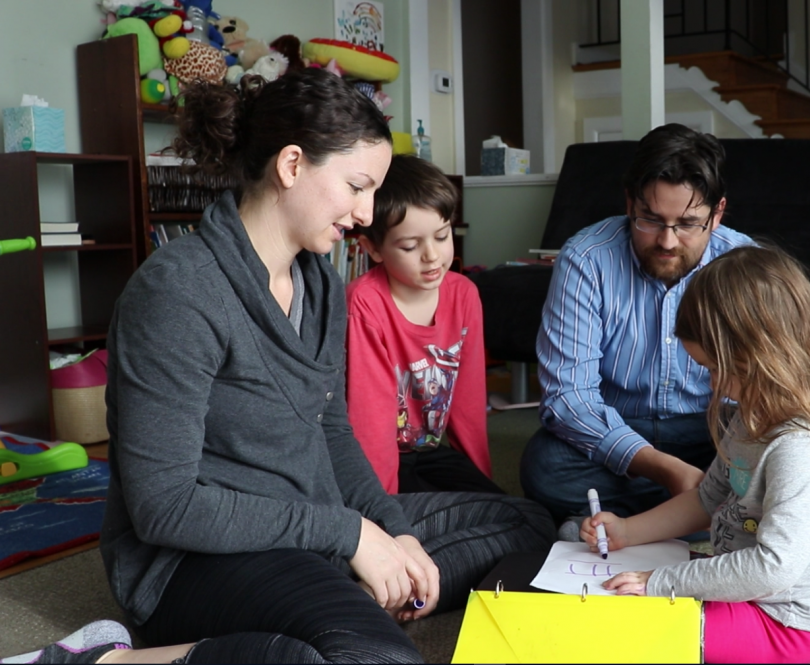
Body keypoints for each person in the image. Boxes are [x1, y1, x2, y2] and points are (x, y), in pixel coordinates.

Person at [2, 68, 554, 665]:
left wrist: (395, 536)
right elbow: (166, 507)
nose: (367, 214)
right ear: (292, 166)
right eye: (357, 186)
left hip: (311, 526)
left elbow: (332, 430)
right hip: (199, 558)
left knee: (532, 524)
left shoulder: (319, 281)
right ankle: (102, 659)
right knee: (375, 660)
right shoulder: (176, 292)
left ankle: (366, 595)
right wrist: (349, 536)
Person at [581, 245, 810, 664]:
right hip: (740, 588)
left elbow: (774, 568)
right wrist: (627, 531)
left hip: (779, 624)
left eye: (721, 369)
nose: (714, 386)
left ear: (770, 356)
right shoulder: (750, 414)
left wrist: (659, 582)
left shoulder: (801, 449)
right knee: (608, 584)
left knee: (625, 628)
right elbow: (707, 499)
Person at [519, 123, 754, 530]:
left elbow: (769, 388)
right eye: (650, 219)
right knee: (544, 467)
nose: (667, 241)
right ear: (630, 204)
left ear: (716, 215)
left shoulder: (746, 264)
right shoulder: (586, 259)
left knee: (768, 470)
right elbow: (569, 398)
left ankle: (623, 519)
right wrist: (665, 470)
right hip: (617, 426)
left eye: (686, 223)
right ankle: (700, 514)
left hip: (714, 431)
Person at [346, 155, 501, 495]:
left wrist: (481, 490)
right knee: (407, 524)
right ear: (373, 248)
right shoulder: (364, 304)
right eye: (410, 246)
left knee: (519, 516)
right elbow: (369, 427)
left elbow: (468, 406)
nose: (432, 256)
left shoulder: (464, 295)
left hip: (426, 455)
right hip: (368, 464)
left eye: (442, 236)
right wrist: (383, 514)